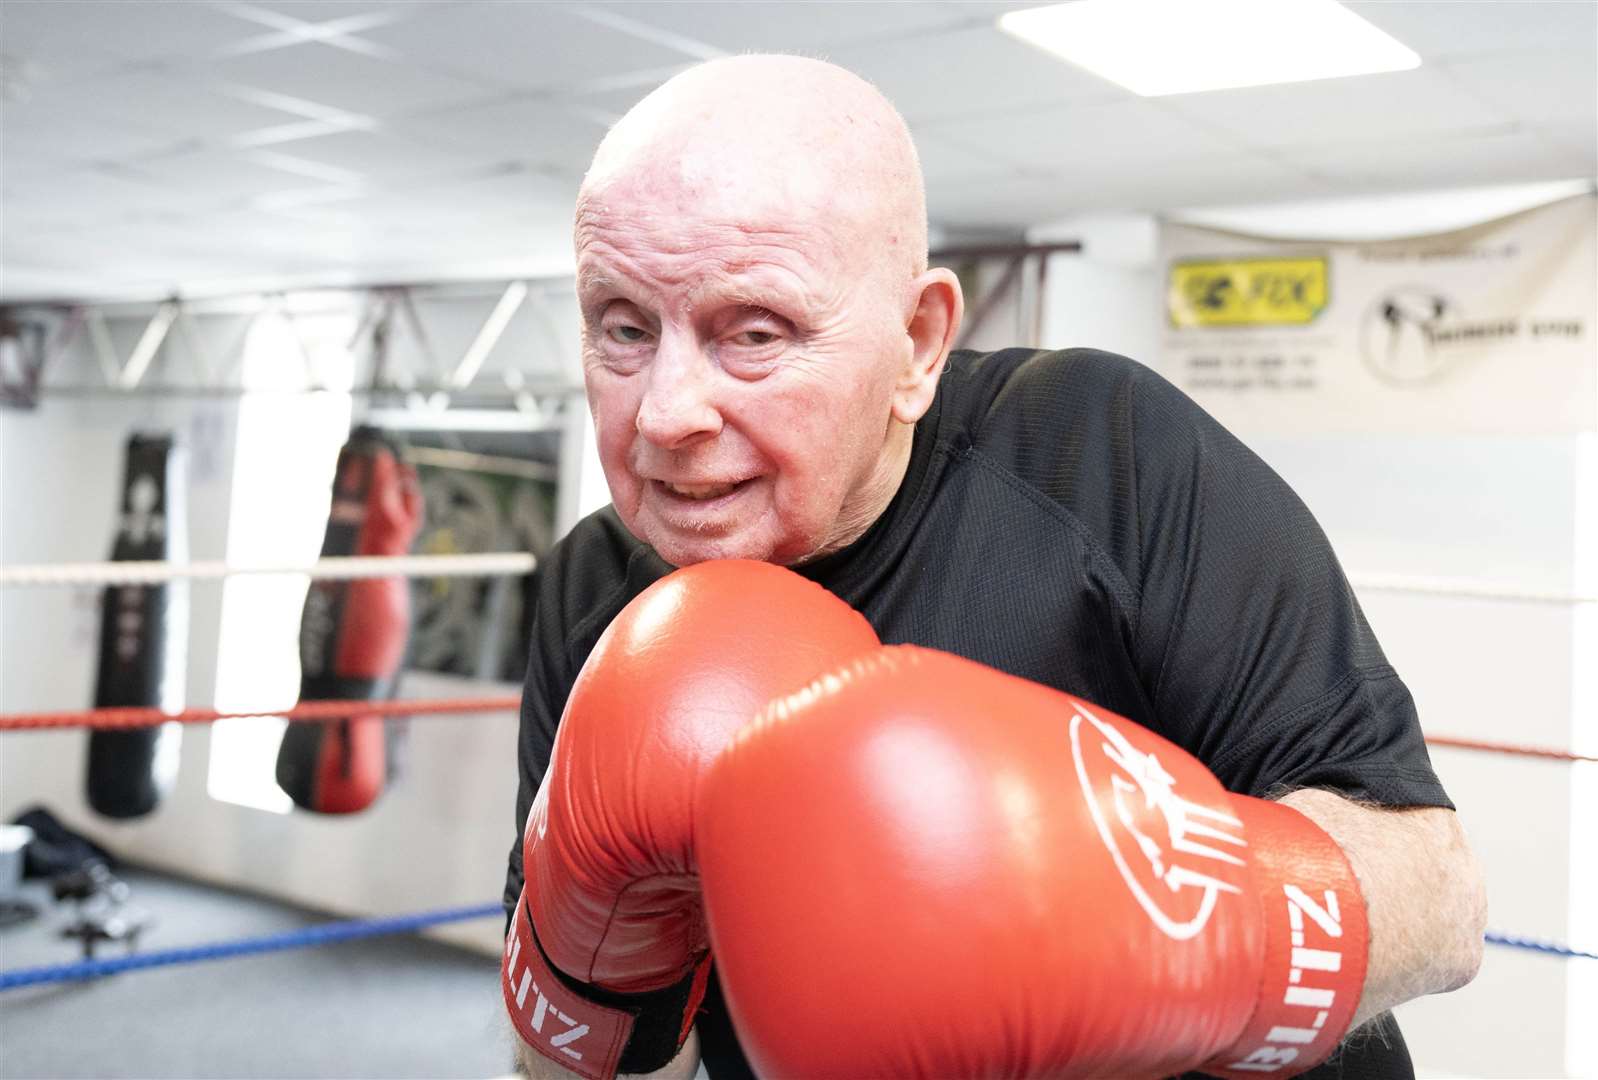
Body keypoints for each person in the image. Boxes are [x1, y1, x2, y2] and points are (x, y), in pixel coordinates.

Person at [504, 54, 1486, 1079]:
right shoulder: (593, 597)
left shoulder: (1100, 455)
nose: (663, 414)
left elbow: (1440, 896)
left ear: (917, 345)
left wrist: (1170, 922)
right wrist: (599, 963)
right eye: (621, 327)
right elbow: (580, 1068)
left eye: (752, 333)